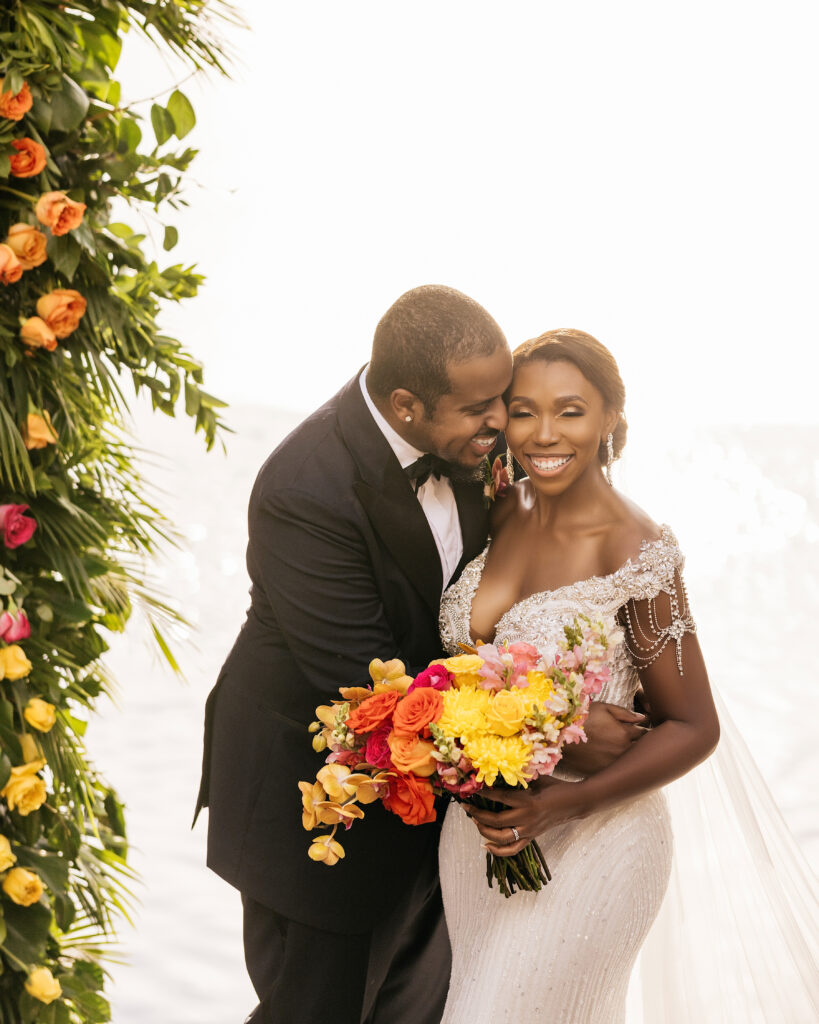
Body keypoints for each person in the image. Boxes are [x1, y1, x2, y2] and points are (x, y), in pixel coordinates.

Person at [194, 288, 646, 1023]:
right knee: (314, 1010)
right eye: (481, 410)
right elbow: (367, 682)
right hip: (317, 798)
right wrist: (558, 732)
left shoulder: (469, 443)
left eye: (503, 398)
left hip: (437, 809)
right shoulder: (304, 489)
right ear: (406, 406)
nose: (501, 422)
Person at [437, 328, 721, 1023]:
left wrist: (561, 803)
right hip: (480, 838)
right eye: (524, 410)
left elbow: (692, 726)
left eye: (569, 410)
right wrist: (551, 725)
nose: (543, 432)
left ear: (609, 420)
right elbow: (462, 669)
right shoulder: (498, 507)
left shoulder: (636, 548)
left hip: (598, 838)